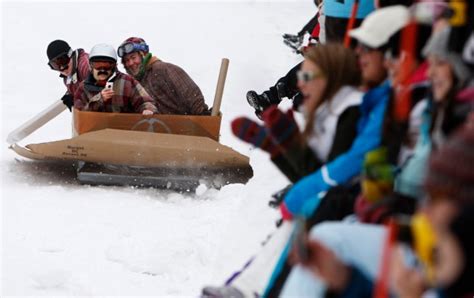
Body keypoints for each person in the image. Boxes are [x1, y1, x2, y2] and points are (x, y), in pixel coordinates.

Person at [118, 37, 210, 115]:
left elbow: (191, 95)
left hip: (183, 129)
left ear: (143, 55)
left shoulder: (162, 69)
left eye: (133, 58)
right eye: (126, 60)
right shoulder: (134, 84)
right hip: (156, 132)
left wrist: (203, 117)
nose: (130, 63)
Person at [74, 43, 157, 115]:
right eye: (98, 65)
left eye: (107, 65)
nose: (102, 70)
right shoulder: (83, 88)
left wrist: (147, 109)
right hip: (94, 132)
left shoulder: (127, 82)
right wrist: (99, 99)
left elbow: (145, 101)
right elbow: (79, 114)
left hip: (123, 131)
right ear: (91, 66)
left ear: (114, 66)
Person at [46, 39, 89, 111]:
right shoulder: (68, 78)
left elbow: (99, 86)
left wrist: (78, 98)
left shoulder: (85, 65)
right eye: (56, 65)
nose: (62, 68)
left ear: (70, 55)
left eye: (63, 61)